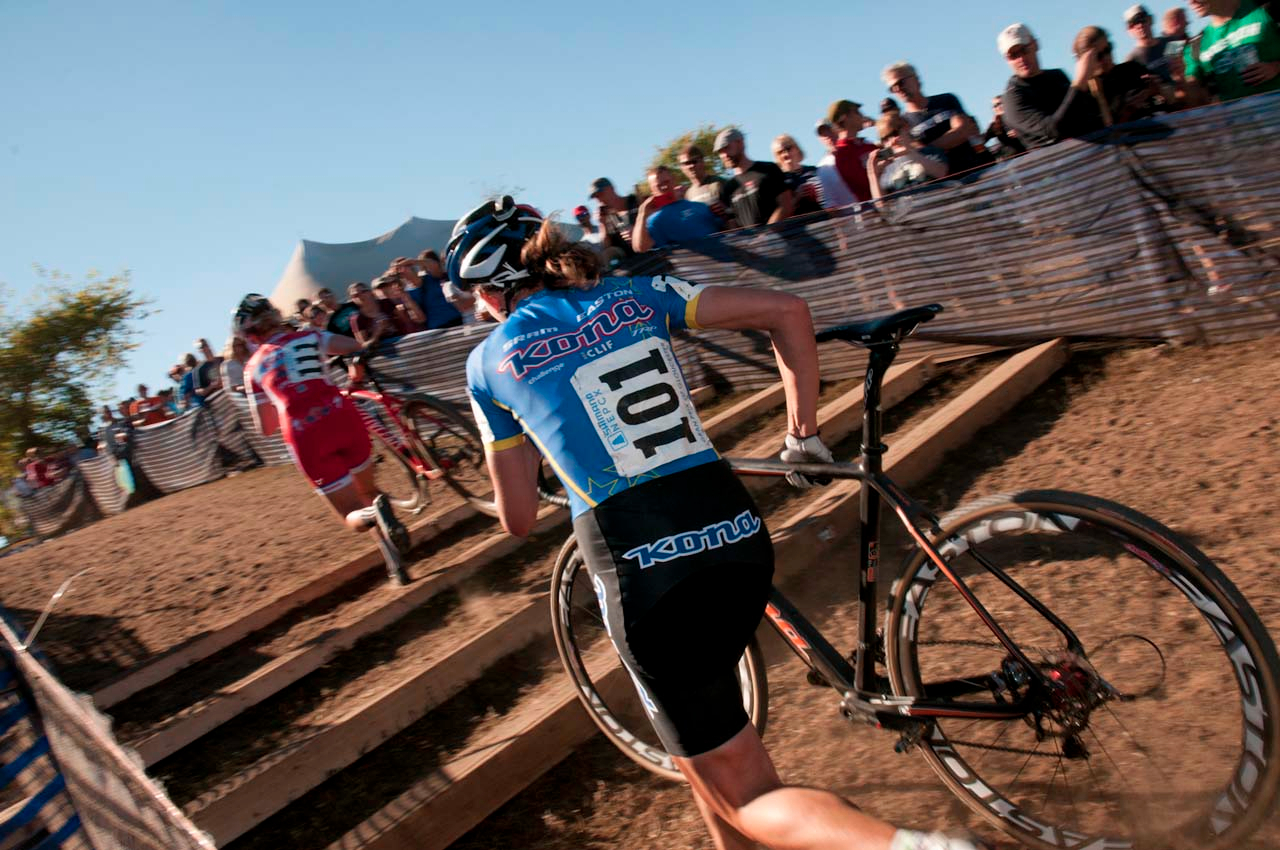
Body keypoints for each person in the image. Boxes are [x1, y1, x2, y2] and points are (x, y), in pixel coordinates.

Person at [446, 196, 987, 850]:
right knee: (701, 752)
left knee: (744, 792)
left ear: (498, 289)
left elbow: (518, 518)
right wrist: (801, 437)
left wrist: (535, 444)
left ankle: (913, 847)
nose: (475, 308)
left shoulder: (487, 363)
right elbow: (787, 312)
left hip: (641, 565)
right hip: (734, 530)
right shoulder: (638, 293)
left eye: (474, 294)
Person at [232, 294, 411, 584]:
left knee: (353, 514)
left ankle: (374, 518)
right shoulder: (310, 336)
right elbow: (354, 347)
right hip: (341, 415)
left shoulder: (252, 367)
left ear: (250, 335)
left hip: (305, 435)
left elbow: (265, 428)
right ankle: (396, 566)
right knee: (367, 491)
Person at [997, 22, 1108, 148]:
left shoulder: (1057, 76)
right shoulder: (1013, 97)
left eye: (1024, 50)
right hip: (1058, 163)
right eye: (1013, 55)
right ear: (1007, 60)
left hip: (1096, 152)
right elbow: (1055, 129)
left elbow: (1084, 113)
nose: (1021, 59)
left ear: (1035, 44)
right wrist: (1080, 81)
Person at [880, 62, 993, 176]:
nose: (898, 89)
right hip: (948, 181)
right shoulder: (903, 123)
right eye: (892, 88)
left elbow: (964, 131)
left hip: (982, 167)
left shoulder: (946, 100)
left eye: (901, 82)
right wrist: (944, 142)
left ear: (916, 79)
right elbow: (920, 154)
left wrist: (928, 148)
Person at [1181, 0, 1280, 103]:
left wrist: (1276, 67)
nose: (1191, 2)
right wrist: (1180, 78)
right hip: (1238, 116)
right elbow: (1193, 100)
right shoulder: (1196, 45)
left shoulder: (1267, 9)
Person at [1072, 26, 1164, 124]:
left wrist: (1158, 89)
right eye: (1098, 56)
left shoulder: (1132, 68)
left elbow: (1173, 99)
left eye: (1108, 49)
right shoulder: (1086, 95)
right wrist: (1128, 109)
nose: (1106, 57)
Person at [714, 127, 794, 226]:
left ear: (740, 143)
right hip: (749, 241)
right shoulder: (727, 188)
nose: (724, 155)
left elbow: (786, 205)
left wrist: (767, 235)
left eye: (726, 148)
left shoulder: (769, 169)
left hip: (780, 239)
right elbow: (732, 223)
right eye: (720, 152)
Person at [633, 165, 721, 252]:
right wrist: (642, 214)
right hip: (688, 264)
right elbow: (640, 248)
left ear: (674, 180)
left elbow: (725, 228)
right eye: (659, 185)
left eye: (667, 182)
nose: (664, 187)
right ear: (652, 190)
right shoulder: (655, 220)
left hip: (722, 259)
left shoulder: (699, 206)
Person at [867, 112, 949, 200]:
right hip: (907, 212)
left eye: (895, 133)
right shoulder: (885, 167)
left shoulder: (929, 152)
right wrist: (873, 174)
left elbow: (941, 172)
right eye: (885, 139)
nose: (892, 141)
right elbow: (881, 205)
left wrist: (909, 153)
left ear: (906, 127)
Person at [825, 101, 878, 202]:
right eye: (857, 112)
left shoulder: (868, 145)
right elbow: (864, 184)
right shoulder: (842, 154)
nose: (862, 115)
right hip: (872, 211)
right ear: (844, 118)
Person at [771, 134, 824, 215]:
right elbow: (779, 213)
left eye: (788, 148)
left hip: (824, 220)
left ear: (797, 148)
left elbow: (829, 195)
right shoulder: (778, 179)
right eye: (780, 152)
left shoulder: (814, 170)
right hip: (798, 225)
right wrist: (797, 196)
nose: (785, 154)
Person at [1124, 4, 1178, 82]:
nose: (1139, 25)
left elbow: (1186, 68)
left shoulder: (1172, 42)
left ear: (1151, 19)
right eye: (1133, 23)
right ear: (1129, 30)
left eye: (1142, 19)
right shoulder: (1131, 61)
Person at [590, 177, 641, 257]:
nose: (599, 200)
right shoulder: (607, 219)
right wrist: (602, 224)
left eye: (601, 194)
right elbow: (606, 248)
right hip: (631, 263)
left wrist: (638, 232)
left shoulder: (636, 202)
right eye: (596, 197)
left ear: (611, 189)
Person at [813, 121, 859, 209]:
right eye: (822, 134)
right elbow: (830, 203)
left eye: (829, 130)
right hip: (850, 219)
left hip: (873, 209)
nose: (827, 136)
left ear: (837, 130)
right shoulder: (823, 168)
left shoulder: (856, 149)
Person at [982, 95, 1027, 159]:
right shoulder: (995, 124)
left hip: (1027, 153)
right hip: (1010, 159)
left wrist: (1020, 132)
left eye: (999, 104)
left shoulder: (1018, 115)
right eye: (994, 106)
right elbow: (983, 139)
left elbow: (1032, 129)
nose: (997, 107)